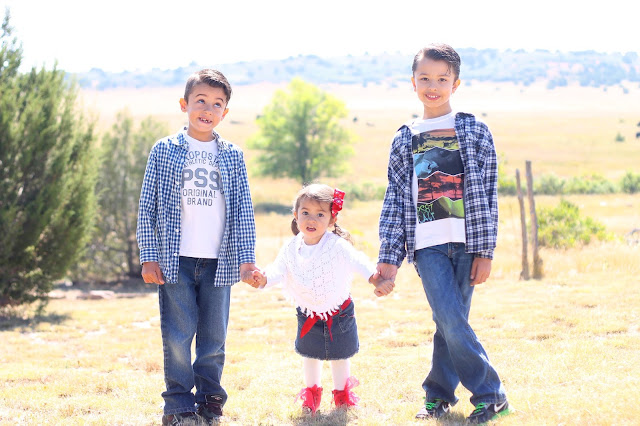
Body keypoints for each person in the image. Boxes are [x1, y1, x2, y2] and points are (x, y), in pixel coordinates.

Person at [376, 44, 511, 424]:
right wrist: (389, 256)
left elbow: (488, 193)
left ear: (456, 83)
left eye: (441, 79)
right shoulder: (405, 137)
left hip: (468, 243)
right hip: (427, 245)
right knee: (450, 319)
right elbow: (395, 198)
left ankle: (438, 396)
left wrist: (485, 251)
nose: (432, 86)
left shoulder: (474, 130)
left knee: (449, 323)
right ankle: (491, 395)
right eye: (425, 78)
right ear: (413, 82)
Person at [136, 69, 258, 426]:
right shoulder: (164, 150)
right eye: (200, 101)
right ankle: (177, 405)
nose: (207, 109)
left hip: (220, 261)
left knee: (213, 338)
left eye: (217, 104)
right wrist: (149, 257)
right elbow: (147, 208)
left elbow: (243, 210)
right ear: (184, 104)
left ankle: (210, 400)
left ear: (225, 112)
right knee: (178, 335)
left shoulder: (232, 155)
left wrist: (247, 261)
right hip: (175, 261)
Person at [250, 184, 395, 415]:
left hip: (339, 311)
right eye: (305, 212)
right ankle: (311, 395)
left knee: (340, 355)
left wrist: (375, 279)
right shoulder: (291, 248)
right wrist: (264, 279)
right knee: (310, 354)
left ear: (331, 219)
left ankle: (342, 396)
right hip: (307, 311)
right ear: (296, 215)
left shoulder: (336, 245)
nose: (312, 219)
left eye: (320, 214)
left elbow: (357, 261)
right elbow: (278, 270)